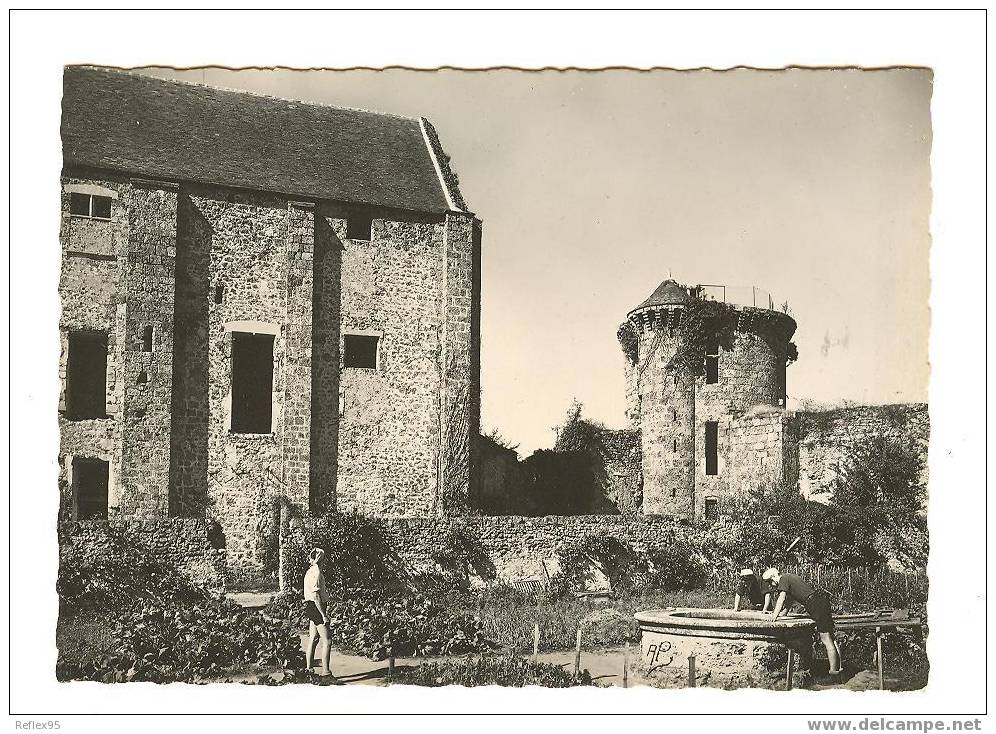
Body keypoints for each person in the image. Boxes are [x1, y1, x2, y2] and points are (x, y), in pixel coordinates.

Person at [763, 567, 843, 676]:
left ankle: (833, 673)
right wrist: (781, 614)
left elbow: (781, 599)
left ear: (773, 578)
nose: (771, 585)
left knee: (826, 639)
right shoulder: (789, 577)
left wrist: (774, 616)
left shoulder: (783, 579)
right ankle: (839, 669)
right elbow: (788, 603)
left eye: (770, 582)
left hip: (815, 604)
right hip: (821, 601)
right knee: (831, 637)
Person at [303, 547, 333, 677]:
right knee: (327, 640)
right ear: (321, 559)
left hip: (311, 606)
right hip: (316, 607)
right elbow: (316, 595)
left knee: (313, 639)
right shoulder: (316, 572)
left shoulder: (310, 571)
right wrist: (323, 615)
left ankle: (309, 670)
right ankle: (326, 672)